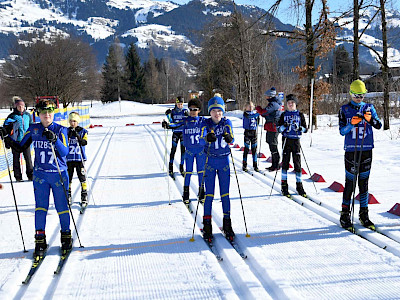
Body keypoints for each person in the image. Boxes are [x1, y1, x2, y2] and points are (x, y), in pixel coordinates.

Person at [0, 99, 72, 257]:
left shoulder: (61, 130)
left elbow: (65, 152)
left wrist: (54, 139)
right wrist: (6, 137)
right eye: (44, 113)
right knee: (40, 207)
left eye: (50, 113)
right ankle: (40, 239)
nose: (47, 115)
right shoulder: (34, 129)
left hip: (59, 174)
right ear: (38, 114)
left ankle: (66, 236)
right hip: (41, 176)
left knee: (61, 207)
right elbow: (20, 147)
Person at [338, 79, 382, 231]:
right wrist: (352, 124)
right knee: (350, 183)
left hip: (366, 149)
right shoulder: (344, 109)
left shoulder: (369, 107)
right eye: (356, 95)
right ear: (351, 94)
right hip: (351, 150)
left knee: (364, 183)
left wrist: (370, 119)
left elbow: (379, 125)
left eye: (362, 95)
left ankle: (364, 214)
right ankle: (345, 214)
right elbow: (341, 131)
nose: (359, 98)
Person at [200, 95, 235, 242]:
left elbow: (232, 138)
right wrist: (208, 138)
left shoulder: (227, 123)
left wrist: (229, 138)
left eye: (219, 110)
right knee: (209, 195)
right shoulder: (206, 123)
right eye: (214, 111)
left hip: (224, 163)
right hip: (209, 162)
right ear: (210, 112)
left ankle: (227, 224)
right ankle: (207, 225)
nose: (217, 114)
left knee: (225, 194)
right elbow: (202, 137)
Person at [162, 98, 206, 205]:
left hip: (200, 151)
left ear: (199, 110)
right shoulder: (185, 121)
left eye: (195, 109)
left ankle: (201, 193)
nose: (192, 112)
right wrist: (167, 125)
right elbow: (175, 124)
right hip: (190, 151)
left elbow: (214, 124)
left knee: (201, 172)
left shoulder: (203, 121)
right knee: (188, 172)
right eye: (190, 109)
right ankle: (186, 193)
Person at [277, 94, 308, 198]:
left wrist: (300, 128)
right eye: (289, 103)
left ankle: (299, 186)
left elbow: (305, 129)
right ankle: (284, 186)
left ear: (296, 104)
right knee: (285, 163)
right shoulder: (283, 114)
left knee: (297, 164)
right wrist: (283, 126)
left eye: (292, 103)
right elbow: (278, 129)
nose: (290, 105)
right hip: (286, 140)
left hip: (296, 141)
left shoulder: (300, 115)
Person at [3, 96, 33, 181]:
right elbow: (6, 126)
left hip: (26, 140)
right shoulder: (12, 116)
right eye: (19, 106)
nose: (21, 107)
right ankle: (18, 176)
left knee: (28, 158)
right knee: (16, 159)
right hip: (16, 141)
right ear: (16, 106)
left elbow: (31, 125)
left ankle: (30, 175)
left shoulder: (27, 115)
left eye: (22, 106)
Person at [256, 87, 283, 171]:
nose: (266, 97)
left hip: (273, 127)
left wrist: (259, 109)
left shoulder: (273, 104)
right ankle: (274, 164)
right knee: (270, 143)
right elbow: (268, 113)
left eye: (267, 96)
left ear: (270, 96)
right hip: (270, 126)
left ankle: (276, 165)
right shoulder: (274, 103)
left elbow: (264, 111)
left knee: (273, 145)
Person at [66, 112, 88, 206]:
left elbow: (84, 142)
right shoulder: (66, 131)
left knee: (82, 177)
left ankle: (84, 195)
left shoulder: (82, 131)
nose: (72, 123)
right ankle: (68, 195)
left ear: (77, 121)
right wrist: (69, 135)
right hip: (69, 159)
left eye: (74, 121)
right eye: (71, 121)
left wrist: (77, 136)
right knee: (68, 178)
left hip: (79, 158)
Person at [165, 96, 188, 178]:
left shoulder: (185, 111)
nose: (180, 106)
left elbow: (188, 121)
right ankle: (170, 167)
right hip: (175, 133)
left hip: (182, 133)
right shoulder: (173, 112)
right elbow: (171, 122)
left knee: (183, 150)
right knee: (173, 149)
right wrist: (168, 115)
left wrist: (187, 115)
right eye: (179, 104)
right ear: (176, 104)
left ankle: (181, 167)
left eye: (181, 104)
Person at [242, 101, 260, 172]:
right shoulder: (245, 113)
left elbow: (257, 121)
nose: (251, 107)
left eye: (252, 106)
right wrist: (258, 113)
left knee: (254, 149)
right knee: (246, 149)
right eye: (249, 106)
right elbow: (250, 117)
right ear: (246, 107)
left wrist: (258, 117)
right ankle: (244, 165)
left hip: (253, 132)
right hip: (247, 132)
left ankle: (255, 165)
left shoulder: (254, 113)